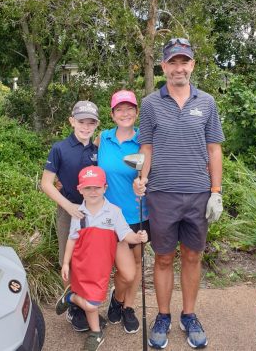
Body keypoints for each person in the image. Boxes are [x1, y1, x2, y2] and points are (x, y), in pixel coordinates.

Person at [134, 38, 224, 349]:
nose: (179, 68)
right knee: (162, 257)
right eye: (173, 62)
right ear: (164, 67)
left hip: (198, 194)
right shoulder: (149, 104)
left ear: (192, 66)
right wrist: (141, 180)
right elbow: (147, 147)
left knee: (192, 255)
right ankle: (162, 316)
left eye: (184, 62)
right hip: (161, 194)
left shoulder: (207, 102)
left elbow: (214, 149)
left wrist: (216, 191)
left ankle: (189, 314)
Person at [55, 165, 148, 351]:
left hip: (101, 268)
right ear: (80, 190)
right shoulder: (78, 214)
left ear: (105, 188)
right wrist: (66, 263)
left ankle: (71, 298)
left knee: (91, 303)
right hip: (83, 266)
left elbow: (125, 234)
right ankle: (96, 332)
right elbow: (72, 240)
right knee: (91, 303)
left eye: (97, 187)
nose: (93, 191)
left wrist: (137, 238)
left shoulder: (113, 211)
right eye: (88, 188)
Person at [41, 100, 101, 331]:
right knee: (69, 260)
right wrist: (68, 207)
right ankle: (75, 307)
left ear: (96, 125)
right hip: (69, 210)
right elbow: (46, 184)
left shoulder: (97, 150)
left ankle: (87, 306)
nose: (85, 126)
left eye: (90, 123)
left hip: (95, 211)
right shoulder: (59, 148)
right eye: (81, 121)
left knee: (89, 260)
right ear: (72, 121)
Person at [96, 90, 150, 334]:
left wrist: (144, 183)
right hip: (108, 216)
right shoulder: (103, 138)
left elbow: (152, 172)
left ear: (136, 112)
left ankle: (127, 306)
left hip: (138, 214)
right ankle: (117, 298)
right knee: (122, 269)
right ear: (112, 113)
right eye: (119, 109)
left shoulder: (144, 140)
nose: (125, 113)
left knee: (136, 264)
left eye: (130, 109)